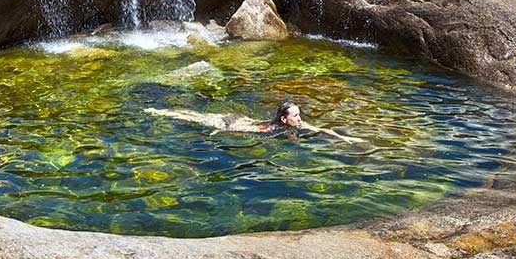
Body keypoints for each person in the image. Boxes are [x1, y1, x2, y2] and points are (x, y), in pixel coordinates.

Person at [144, 101, 364, 143]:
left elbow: (322, 129)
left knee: (194, 115)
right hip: (230, 122)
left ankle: (164, 110)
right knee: (191, 116)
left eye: (299, 115)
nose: (300, 118)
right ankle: (160, 111)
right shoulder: (269, 128)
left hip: (242, 119)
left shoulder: (299, 125)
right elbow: (243, 130)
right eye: (295, 116)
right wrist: (220, 131)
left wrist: (345, 138)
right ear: (284, 119)